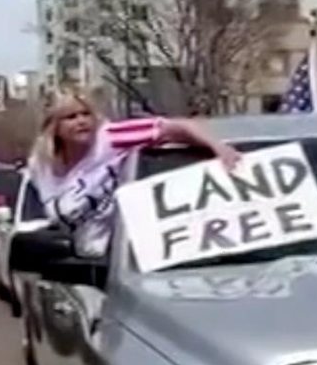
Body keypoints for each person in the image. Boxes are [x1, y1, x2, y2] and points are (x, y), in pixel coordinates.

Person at [28, 88, 240, 258]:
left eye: (86, 114)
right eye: (71, 117)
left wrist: (217, 147)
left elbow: (175, 127)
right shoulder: (41, 166)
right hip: (84, 261)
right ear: (53, 126)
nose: (82, 121)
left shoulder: (111, 138)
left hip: (127, 257)